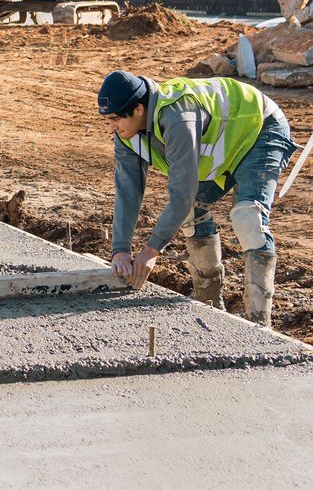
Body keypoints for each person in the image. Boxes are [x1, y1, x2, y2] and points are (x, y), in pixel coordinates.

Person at [97, 70, 296, 326]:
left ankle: (259, 322)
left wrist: (151, 250)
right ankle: (209, 302)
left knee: (249, 218)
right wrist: (120, 250)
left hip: (259, 129)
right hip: (227, 143)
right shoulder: (126, 135)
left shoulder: (177, 117)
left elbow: (182, 191)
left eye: (115, 119)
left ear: (137, 109)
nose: (112, 127)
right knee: (191, 212)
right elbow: (128, 190)